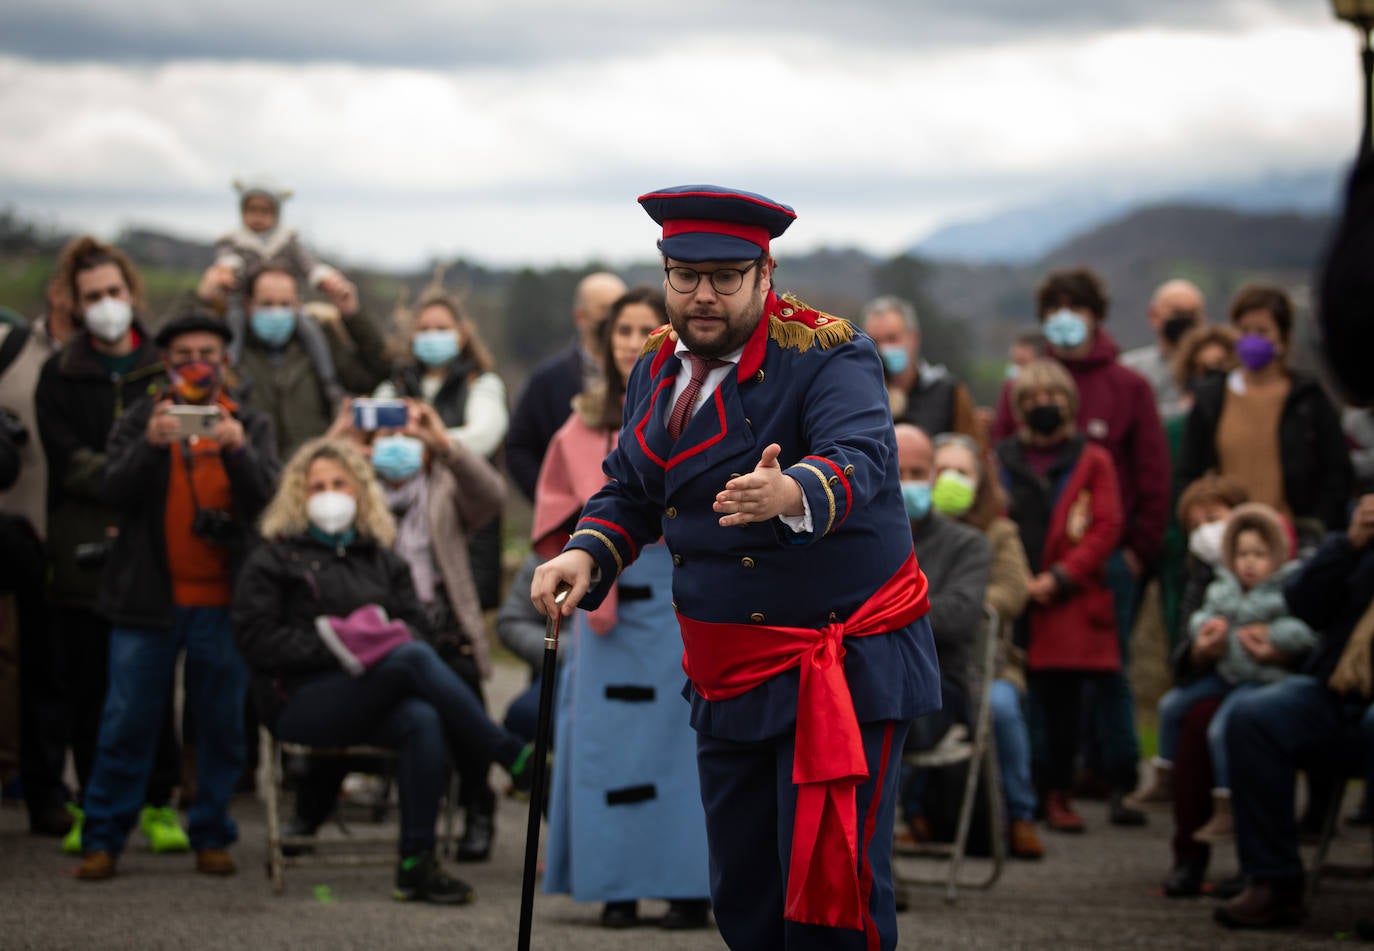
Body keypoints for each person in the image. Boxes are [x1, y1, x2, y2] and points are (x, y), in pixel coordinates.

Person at [531, 185, 941, 951]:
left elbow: (863, 458)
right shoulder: (655, 362)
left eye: (725, 276)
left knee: (830, 898)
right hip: (726, 665)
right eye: (685, 276)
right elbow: (630, 484)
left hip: (837, 661)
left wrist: (790, 490)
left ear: (764, 272)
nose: (703, 295)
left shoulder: (829, 349)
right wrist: (587, 551)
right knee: (744, 895)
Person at [231, 437, 535, 904]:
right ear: (297, 494)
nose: (329, 494)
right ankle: (509, 754)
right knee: (408, 659)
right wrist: (343, 641)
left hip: (373, 695)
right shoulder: (274, 559)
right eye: (317, 486)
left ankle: (416, 864)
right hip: (298, 699)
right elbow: (258, 641)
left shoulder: (384, 560)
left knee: (423, 718)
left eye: (339, 483)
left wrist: (372, 645)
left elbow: (416, 627)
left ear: (359, 491)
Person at [75, 312, 280, 881]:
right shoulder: (142, 419)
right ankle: (104, 837)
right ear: (165, 362)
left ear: (226, 360)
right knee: (126, 724)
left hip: (223, 602)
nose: (198, 363)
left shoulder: (251, 422)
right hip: (146, 602)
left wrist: (238, 451)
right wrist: (148, 445)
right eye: (185, 352)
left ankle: (211, 832)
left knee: (219, 727)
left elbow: (268, 500)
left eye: (209, 353)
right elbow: (110, 489)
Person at [532, 287, 712, 930]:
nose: (635, 341)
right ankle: (615, 882)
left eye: (648, 328)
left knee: (680, 744)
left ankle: (689, 884)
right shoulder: (577, 426)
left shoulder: (699, 406)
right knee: (607, 747)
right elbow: (554, 519)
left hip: (678, 599)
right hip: (603, 606)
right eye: (623, 329)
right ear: (605, 341)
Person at [992, 267, 1168, 826]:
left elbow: (1147, 481)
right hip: (1031, 574)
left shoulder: (1126, 390)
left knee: (1108, 681)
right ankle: (1049, 788)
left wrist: (1135, 550)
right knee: (1044, 690)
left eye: (1076, 308)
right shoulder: (1011, 442)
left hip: (1095, 572)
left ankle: (1118, 779)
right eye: (1055, 309)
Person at [34, 236, 185, 855]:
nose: (105, 304)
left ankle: (157, 801)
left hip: (153, 553)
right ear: (75, 302)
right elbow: (67, 462)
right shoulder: (60, 372)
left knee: (152, 685)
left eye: (114, 293)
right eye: (92, 296)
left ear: (132, 294)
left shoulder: (162, 368)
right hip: (80, 551)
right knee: (91, 687)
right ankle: (97, 806)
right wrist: (128, 470)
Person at [1214, 493, 1374, 929]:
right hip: (1340, 689)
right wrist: (1351, 544)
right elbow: (1304, 604)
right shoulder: (1360, 539)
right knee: (1252, 717)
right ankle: (1274, 882)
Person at [994, 359, 1123, 834]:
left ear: (1068, 403)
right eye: (1030, 399)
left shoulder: (1093, 459)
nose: (1042, 406)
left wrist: (1059, 578)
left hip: (1064, 598)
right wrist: (1014, 581)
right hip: (1014, 590)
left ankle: (1058, 794)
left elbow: (1106, 526)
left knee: (1063, 705)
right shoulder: (1002, 458)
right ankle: (1017, 796)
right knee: (1019, 703)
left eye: (1051, 398)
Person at [1150, 503, 1315, 844]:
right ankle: (1163, 775)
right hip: (1223, 672)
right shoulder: (1220, 586)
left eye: (1259, 553)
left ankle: (1227, 804)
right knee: (1172, 706)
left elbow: (1303, 632)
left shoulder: (1285, 590)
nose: (1250, 562)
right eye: (1242, 554)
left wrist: (1274, 640)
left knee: (1222, 727)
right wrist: (1203, 635)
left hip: (1260, 676)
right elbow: (1197, 619)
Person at [931, 431, 1043, 860]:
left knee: (1000, 708)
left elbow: (1014, 590)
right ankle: (922, 815)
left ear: (980, 480)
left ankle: (1020, 814)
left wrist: (969, 599)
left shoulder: (998, 532)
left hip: (988, 662)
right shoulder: (912, 528)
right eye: (942, 472)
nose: (950, 480)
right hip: (936, 659)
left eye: (962, 472)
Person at [1179, 284, 1353, 543]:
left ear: (1283, 337)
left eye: (1262, 331)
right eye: (1244, 330)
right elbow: (1190, 472)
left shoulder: (1307, 399)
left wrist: (1317, 526)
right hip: (1228, 542)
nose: (1252, 339)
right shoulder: (1212, 398)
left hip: (1295, 537)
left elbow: (1337, 472)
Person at [891, 425, 990, 861]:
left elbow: (958, 619)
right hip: (863, 673)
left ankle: (872, 858)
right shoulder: (855, 533)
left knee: (870, 711)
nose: (910, 482)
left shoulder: (967, 544)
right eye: (899, 471)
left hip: (936, 690)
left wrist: (883, 610)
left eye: (918, 471)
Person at [377, 287, 507, 611]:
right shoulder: (395, 386)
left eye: (441, 329)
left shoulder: (482, 383)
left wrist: (428, 441)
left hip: (465, 528)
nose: (432, 336)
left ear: (461, 335)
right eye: (424, 330)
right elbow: (372, 433)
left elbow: (484, 435)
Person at [0, 284, 74, 837]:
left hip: (39, 539)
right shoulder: (15, 348)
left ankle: (43, 786)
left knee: (42, 667)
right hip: (21, 529)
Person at [203, 264, 392, 459]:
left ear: (298, 305)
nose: (277, 313)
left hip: (314, 471)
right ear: (248, 305)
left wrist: (352, 315)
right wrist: (202, 299)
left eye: (285, 305)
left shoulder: (321, 349)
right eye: (267, 304)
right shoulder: (228, 355)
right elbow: (180, 355)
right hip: (250, 474)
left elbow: (376, 374)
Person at [504, 271, 626, 502]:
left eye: (620, 309)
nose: (615, 318)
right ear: (580, 316)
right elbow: (518, 448)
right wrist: (552, 500)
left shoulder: (647, 373)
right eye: (605, 310)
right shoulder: (547, 380)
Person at [862, 296, 982, 446]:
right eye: (874, 341)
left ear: (914, 338)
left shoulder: (948, 393)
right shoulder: (860, 396)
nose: (883, 348)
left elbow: (973, 452)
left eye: (892, 338)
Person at [208, 178, 347, 300]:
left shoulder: (287, 241)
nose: (258, 217)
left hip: (286, 301)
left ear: (276, 214)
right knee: (234, 319)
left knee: (306, 325)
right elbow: (226, 259)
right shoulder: (233, 240)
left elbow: (308, 265)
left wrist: (324, 278)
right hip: (244, 300)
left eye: (264, 211)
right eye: (252, 210)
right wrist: (226, 271)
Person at [1120, 279, 1206, 420]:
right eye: (1177, 313)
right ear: (1153, 315)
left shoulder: (1213, 369)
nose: (1185, 321)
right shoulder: (1130, 368)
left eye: (1192, 314)